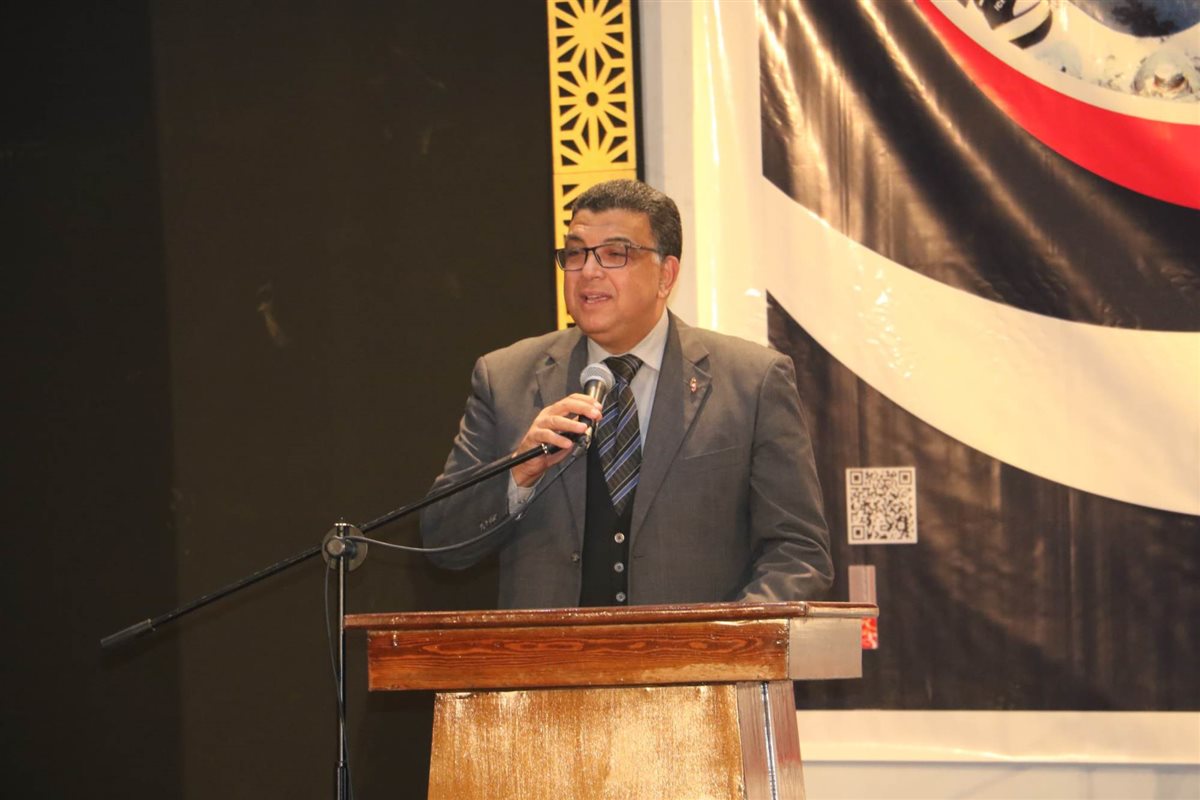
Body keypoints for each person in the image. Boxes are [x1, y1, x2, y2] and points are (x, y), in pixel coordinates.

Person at [420, 179, 832, 608]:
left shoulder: (752, 382)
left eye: (615, 254)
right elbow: (442, 542)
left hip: (699, 651)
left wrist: (727, 637)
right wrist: (519, 472)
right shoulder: (505, 378)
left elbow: (798, 553)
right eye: (576, 254)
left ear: (666, 275)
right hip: (551, 650)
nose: (588, 271)